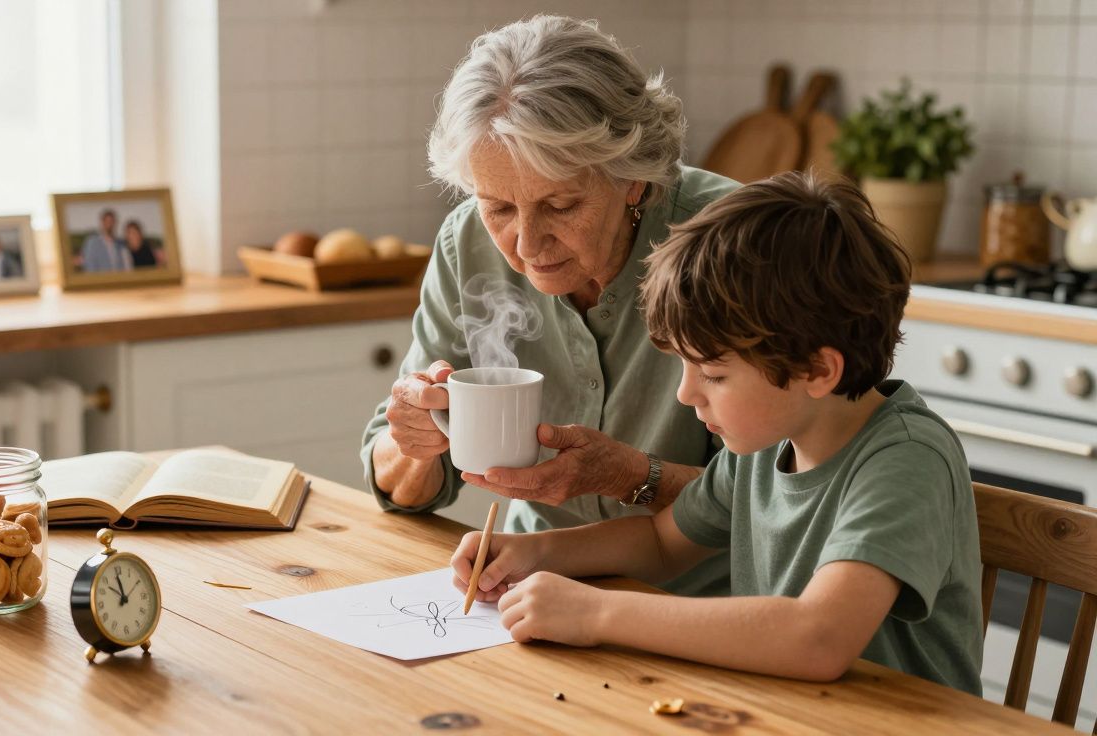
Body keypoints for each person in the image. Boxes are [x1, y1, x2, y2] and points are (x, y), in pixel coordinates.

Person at [451, 172, 984, 694]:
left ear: (818, 371)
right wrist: (533, 552)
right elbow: (662, 543)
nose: (686, 394)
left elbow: (819, 637)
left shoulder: (904, 459)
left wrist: (596, 613)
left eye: (714, 373)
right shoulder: (767, 444)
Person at [359, 15, 737, 596]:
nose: (527, 246)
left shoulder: (732, 242)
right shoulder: (466, 242)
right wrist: (415, 442)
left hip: (710, 604)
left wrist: (631, 475)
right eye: (499, 208)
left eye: (561, 205)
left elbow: (786, 498)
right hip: (533, 593)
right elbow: (399, 489)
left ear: (633, 179)